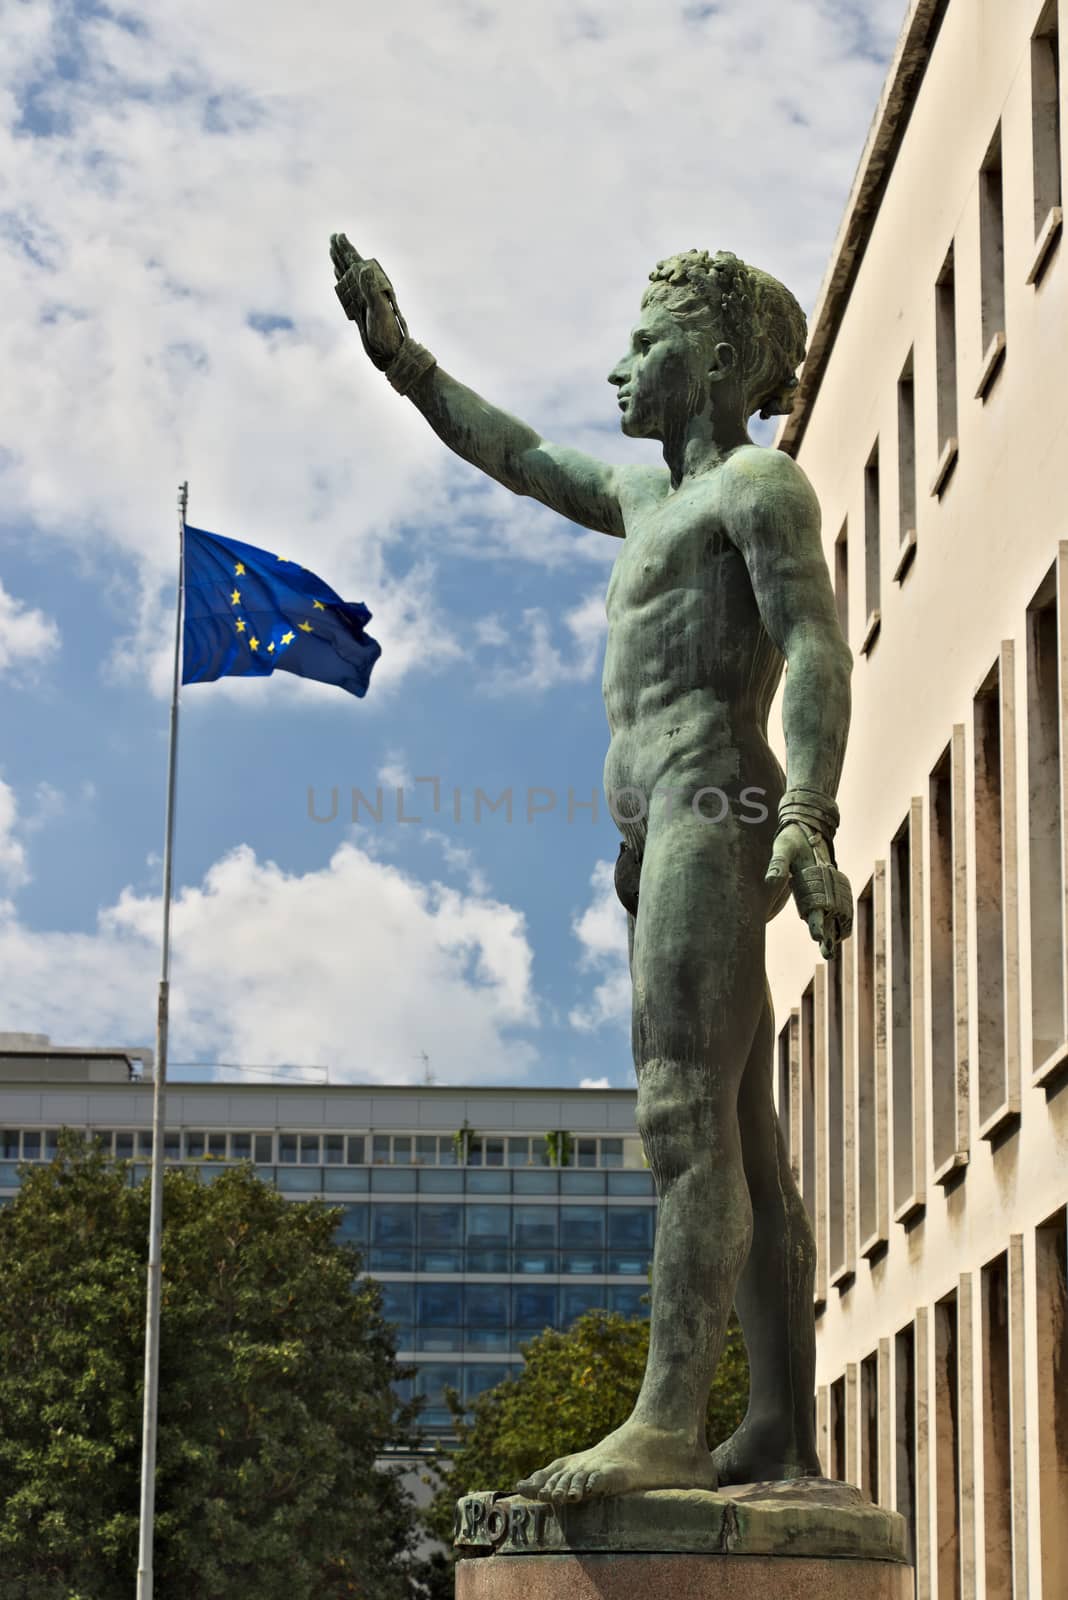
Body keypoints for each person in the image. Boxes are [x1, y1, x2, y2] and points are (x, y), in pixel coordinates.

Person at [330, 235, 853, 1502]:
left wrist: (812, 815)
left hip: (714, 808)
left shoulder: (757, 491)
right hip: (655, 834)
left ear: (719, 362)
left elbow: (818, 648)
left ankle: (669, 1421)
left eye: (647, 338)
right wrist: (404, 361)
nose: (620, 363)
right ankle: (778, 1427)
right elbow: (514, 454)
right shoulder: (641, 501)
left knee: (682, 1111)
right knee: (742, 1129)